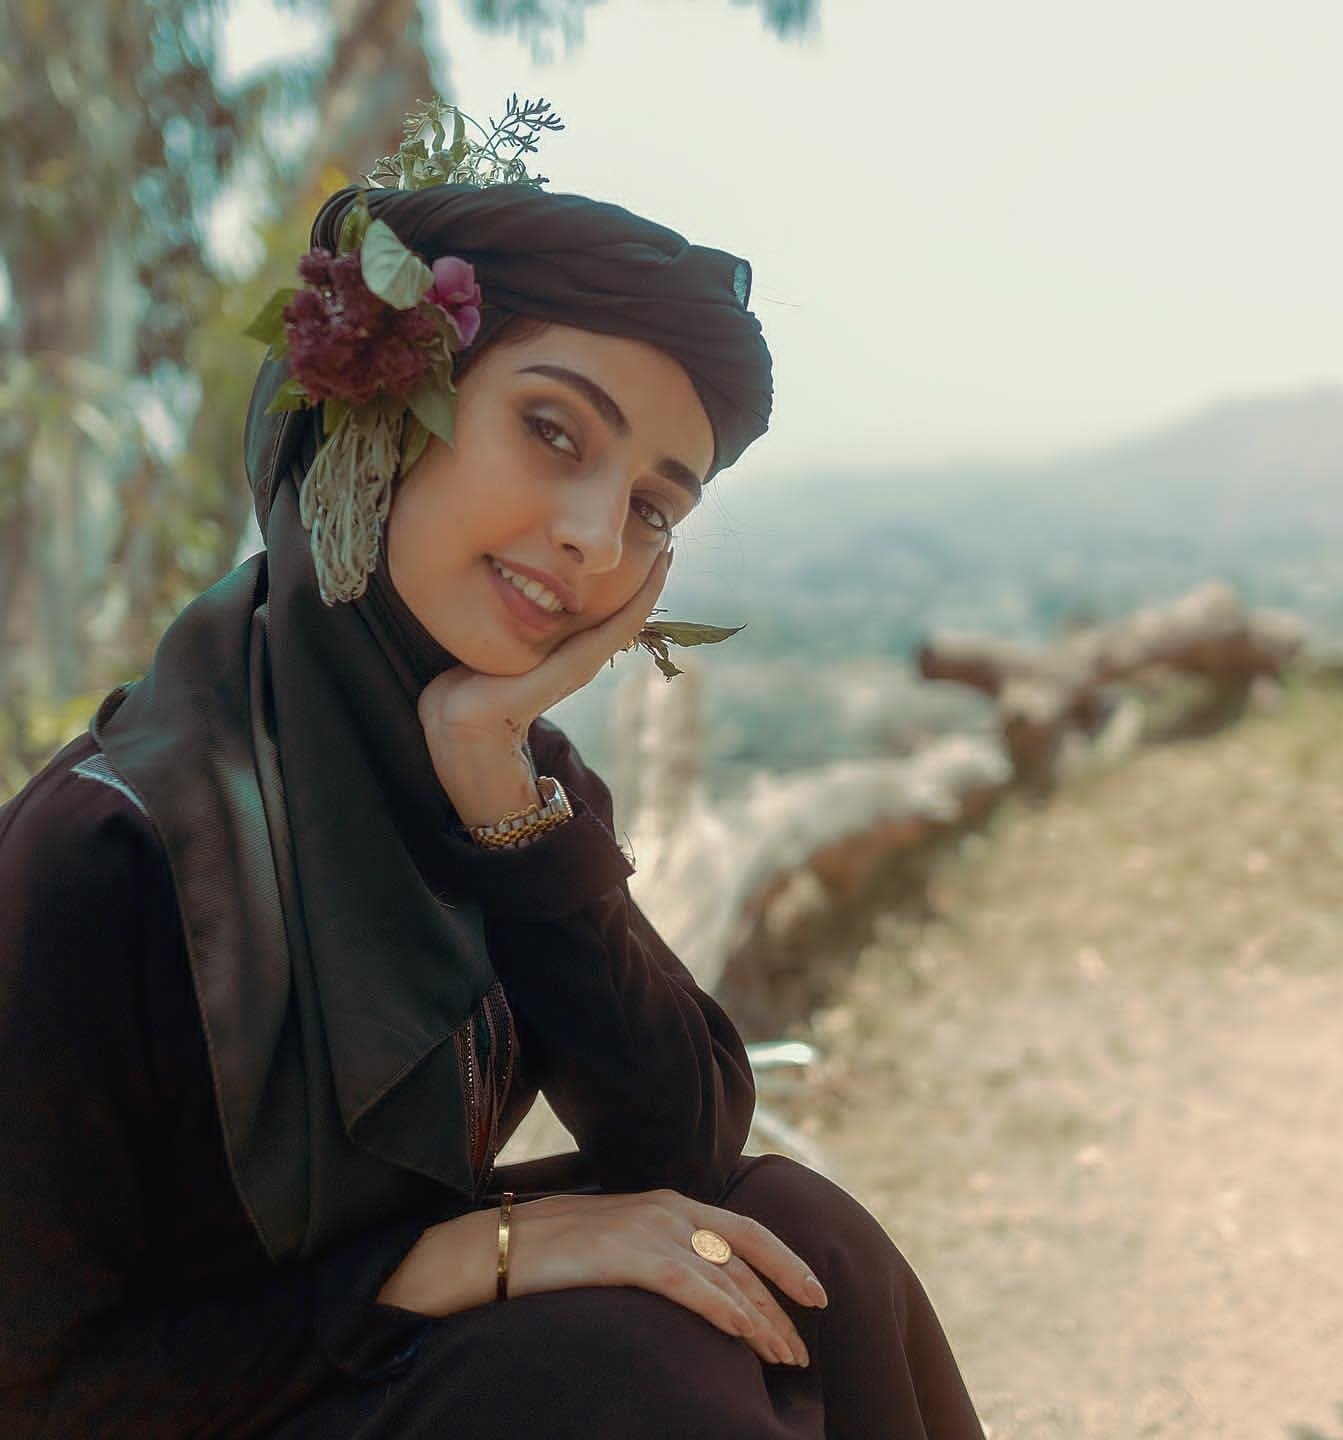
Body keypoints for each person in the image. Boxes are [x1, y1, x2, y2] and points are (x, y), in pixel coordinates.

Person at [0, 161, 989, 1439]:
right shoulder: (113, 851)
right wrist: (473, 1256)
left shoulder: (507, 774)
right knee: (626, 1368)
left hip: (359, 1355)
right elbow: (39, 1386)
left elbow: (685, 1144)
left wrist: (498, 798)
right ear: (379, 422)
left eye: (652, 507)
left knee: (793, 1240)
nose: (597, 538)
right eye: (554, 431)